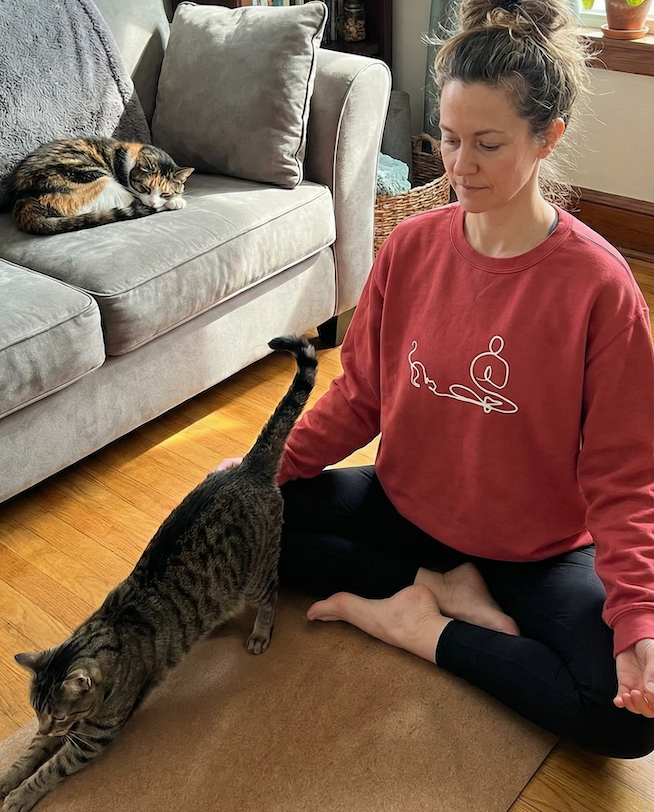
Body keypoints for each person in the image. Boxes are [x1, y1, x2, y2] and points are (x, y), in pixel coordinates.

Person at [219, 0, 654, 758]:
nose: (459, 166)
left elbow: (625, 474)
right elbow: (359, 396)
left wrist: (639, 618)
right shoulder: (412, 247)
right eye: (451, 140)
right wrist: (264, 468)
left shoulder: (600, 288)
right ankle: (436, 582)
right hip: (404, 507)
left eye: (488, 144)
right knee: (231, 526)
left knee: (625, 716)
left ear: (548, 137)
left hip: (537, 551)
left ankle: (422, 625)